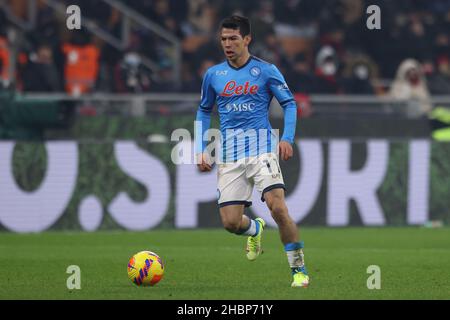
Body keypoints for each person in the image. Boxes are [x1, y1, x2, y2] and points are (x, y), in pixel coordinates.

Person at [195, 15, 309, 288]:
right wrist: (201, 149)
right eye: (223, 39)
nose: (227, 44)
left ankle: (299, 270)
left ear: (247, 39)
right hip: (230, 155)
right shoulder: (214, 75)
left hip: (262, 150)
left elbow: (290, 104)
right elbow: (203, 110)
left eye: (233, 38)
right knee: (231, 223)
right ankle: (255, 229)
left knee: (277, 208)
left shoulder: (266, 70)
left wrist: (287, 138)